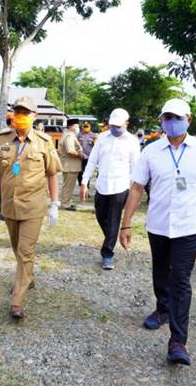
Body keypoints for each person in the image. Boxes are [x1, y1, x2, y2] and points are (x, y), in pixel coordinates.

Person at [119, 98, 196, 366]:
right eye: (167, 117)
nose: (172, 122)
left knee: (181, 280)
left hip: (188, 227)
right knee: (161, 272)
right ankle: (162, 309)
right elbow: (136, 188)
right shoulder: (151, 151)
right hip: (158, 225)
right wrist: (126, 223)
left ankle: (178, 341)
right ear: (162, 121)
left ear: (188, 119)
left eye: (177, 117)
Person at [0, 96, 62, 319]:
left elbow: (52, 174)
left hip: (33, 206)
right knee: (17, 248)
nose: (21, 116)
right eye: (18, 112)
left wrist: (55, 203)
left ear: (35, 116)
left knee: (25, 251)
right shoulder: (2, 139)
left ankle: (17, 301)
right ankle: (27, 277)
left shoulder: (44, 142)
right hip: (10, 205)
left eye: (26, 112)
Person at [80, 108, 139, 270]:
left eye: (118, 126)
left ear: (127, 123)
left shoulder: (132, 141)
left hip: (121, 187)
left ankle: (107, 254)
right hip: (102, 185)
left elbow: (135, 167)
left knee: (113, 219)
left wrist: (133, 189)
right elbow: (92, 161)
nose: (115, 129)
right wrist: (84, 182)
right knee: (100, 216)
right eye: (112, 126)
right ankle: (112, 237)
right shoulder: (102, 138)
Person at [59, 118, 83, 211]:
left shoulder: (69, 135)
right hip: (70, 165)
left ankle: (67, 202)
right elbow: (70, 151)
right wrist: (81, 155)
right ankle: (65, 204)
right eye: (76, 126)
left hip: (70, 165)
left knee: (68, 186)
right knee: (68, 186)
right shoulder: (69, 136)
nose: (78, 128)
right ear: (71, 126)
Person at [77, 121, 98, 186]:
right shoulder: (79, 135)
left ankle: (86, 186)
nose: (86, 128)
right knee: (79, 172)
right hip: (80, 156)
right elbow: (76, 144)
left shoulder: (93, 135)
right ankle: (81, 185)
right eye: (84, 126)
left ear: (90, 127)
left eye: (87, 126)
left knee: (86, 171)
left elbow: (96, 146)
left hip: (88, 156)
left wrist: (93, 142)